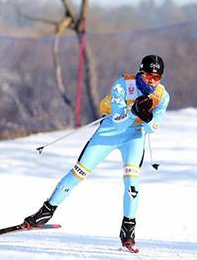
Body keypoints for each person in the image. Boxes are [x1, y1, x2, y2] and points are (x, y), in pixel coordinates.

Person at [22, 55, 170, 250]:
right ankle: (45, 212)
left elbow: (154, 127)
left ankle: (128, 231)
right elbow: (117, 118)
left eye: (157, 78)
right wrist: (134, 111)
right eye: (149, 76)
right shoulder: (123, 85)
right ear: (141, 72)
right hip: (109, 133)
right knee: (78, 173)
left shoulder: (162, 96)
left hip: (134, 136)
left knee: (131, 181)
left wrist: (148, 117)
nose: (152, 81)